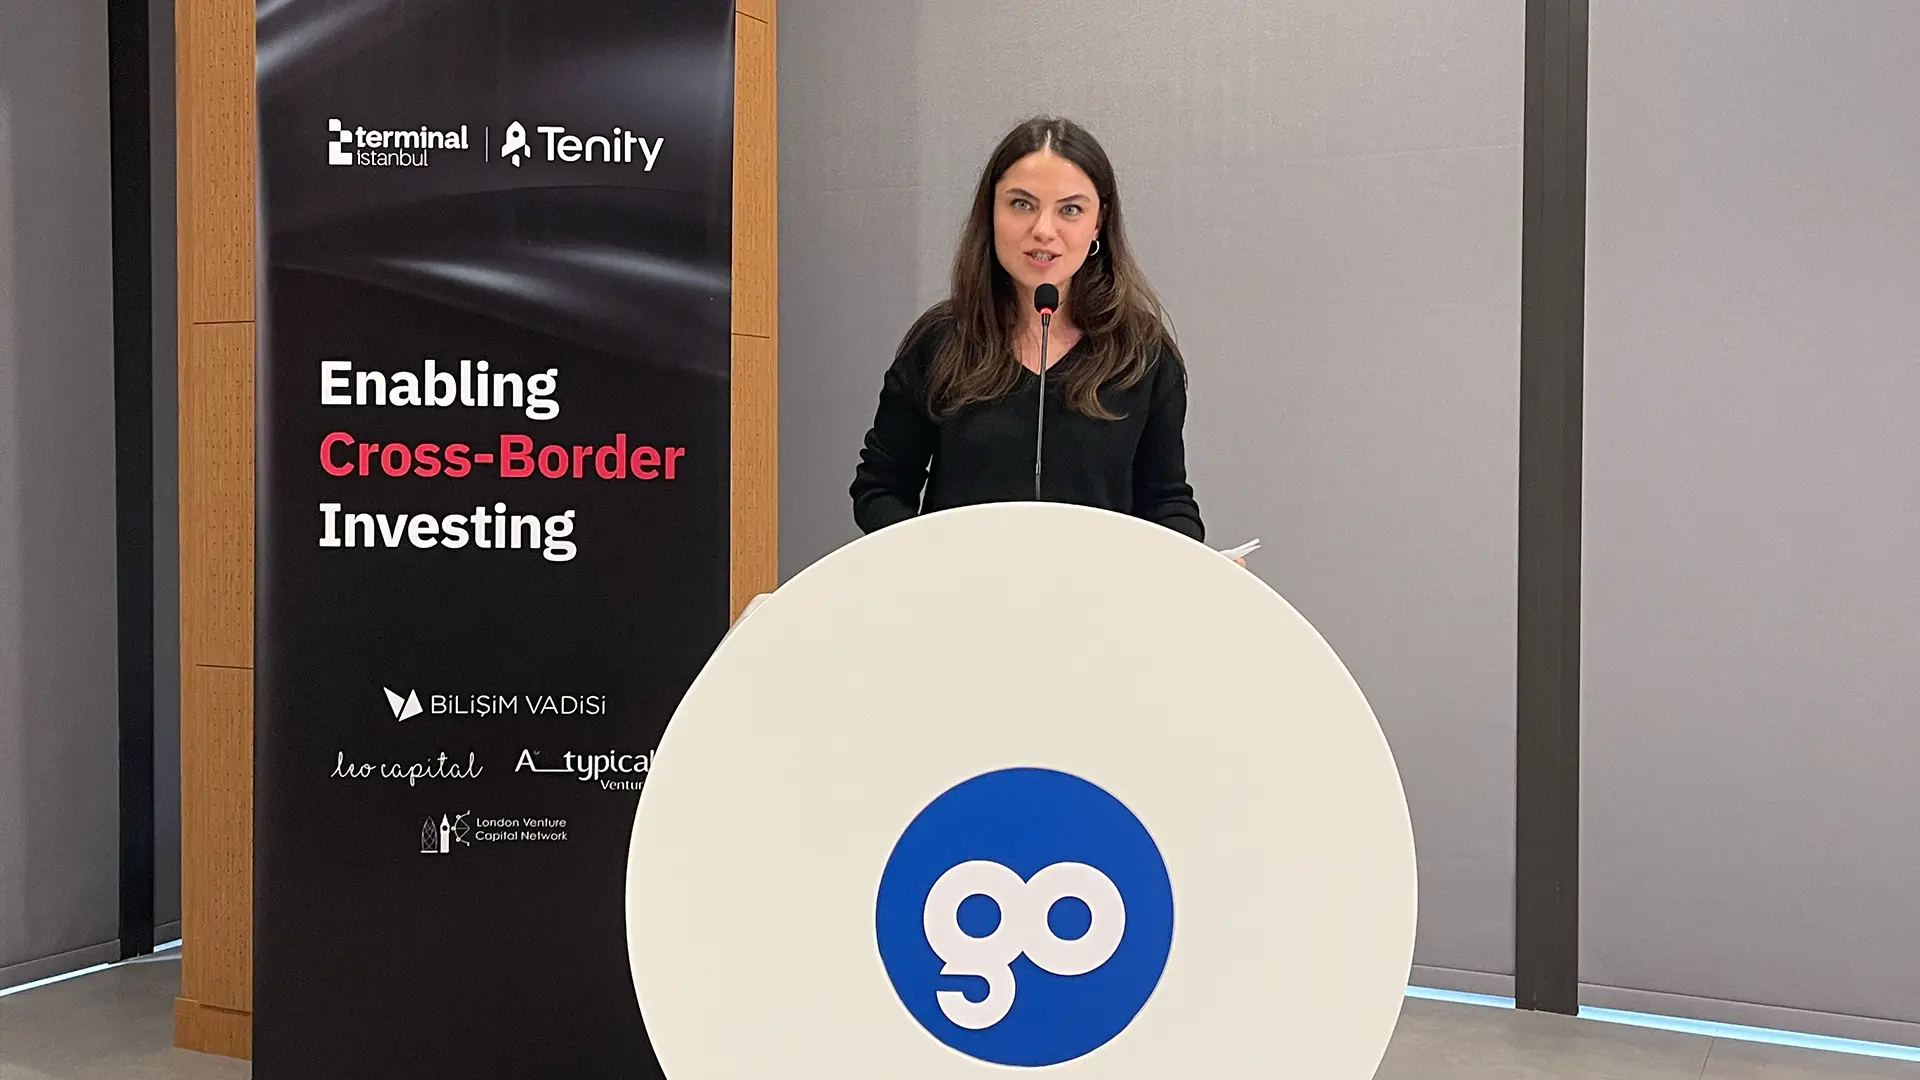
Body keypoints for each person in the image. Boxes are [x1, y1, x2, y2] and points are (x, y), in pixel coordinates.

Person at [849, 115, 1211, 547]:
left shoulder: (1142, 354)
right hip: (960, 586)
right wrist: (930, 561)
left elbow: (1166, 500)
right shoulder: (941, 343)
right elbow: (880, 490)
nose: (1043, 230)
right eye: (1022, 204)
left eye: (1070, 210)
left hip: (1097, 587)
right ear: (991, 211)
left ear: (1098, 223)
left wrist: (1197, 565)